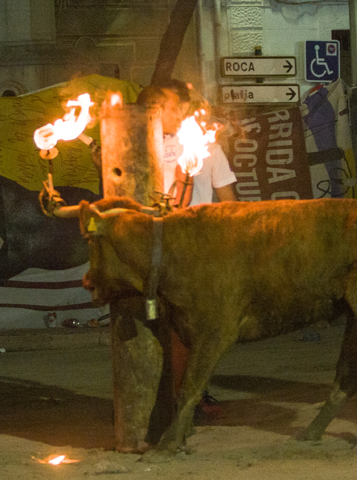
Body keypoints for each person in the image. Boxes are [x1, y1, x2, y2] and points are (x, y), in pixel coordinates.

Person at [137, 80, 236, 418]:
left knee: (198, 327)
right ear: (153, 109)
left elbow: (229, 203)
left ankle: (193, 392)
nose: (181, 111)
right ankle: (165, 396)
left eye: (182, 105)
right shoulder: (141, 147)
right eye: (172, 105)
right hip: (157, 249)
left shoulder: (208, 146)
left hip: (200, 249)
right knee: (160, 326)